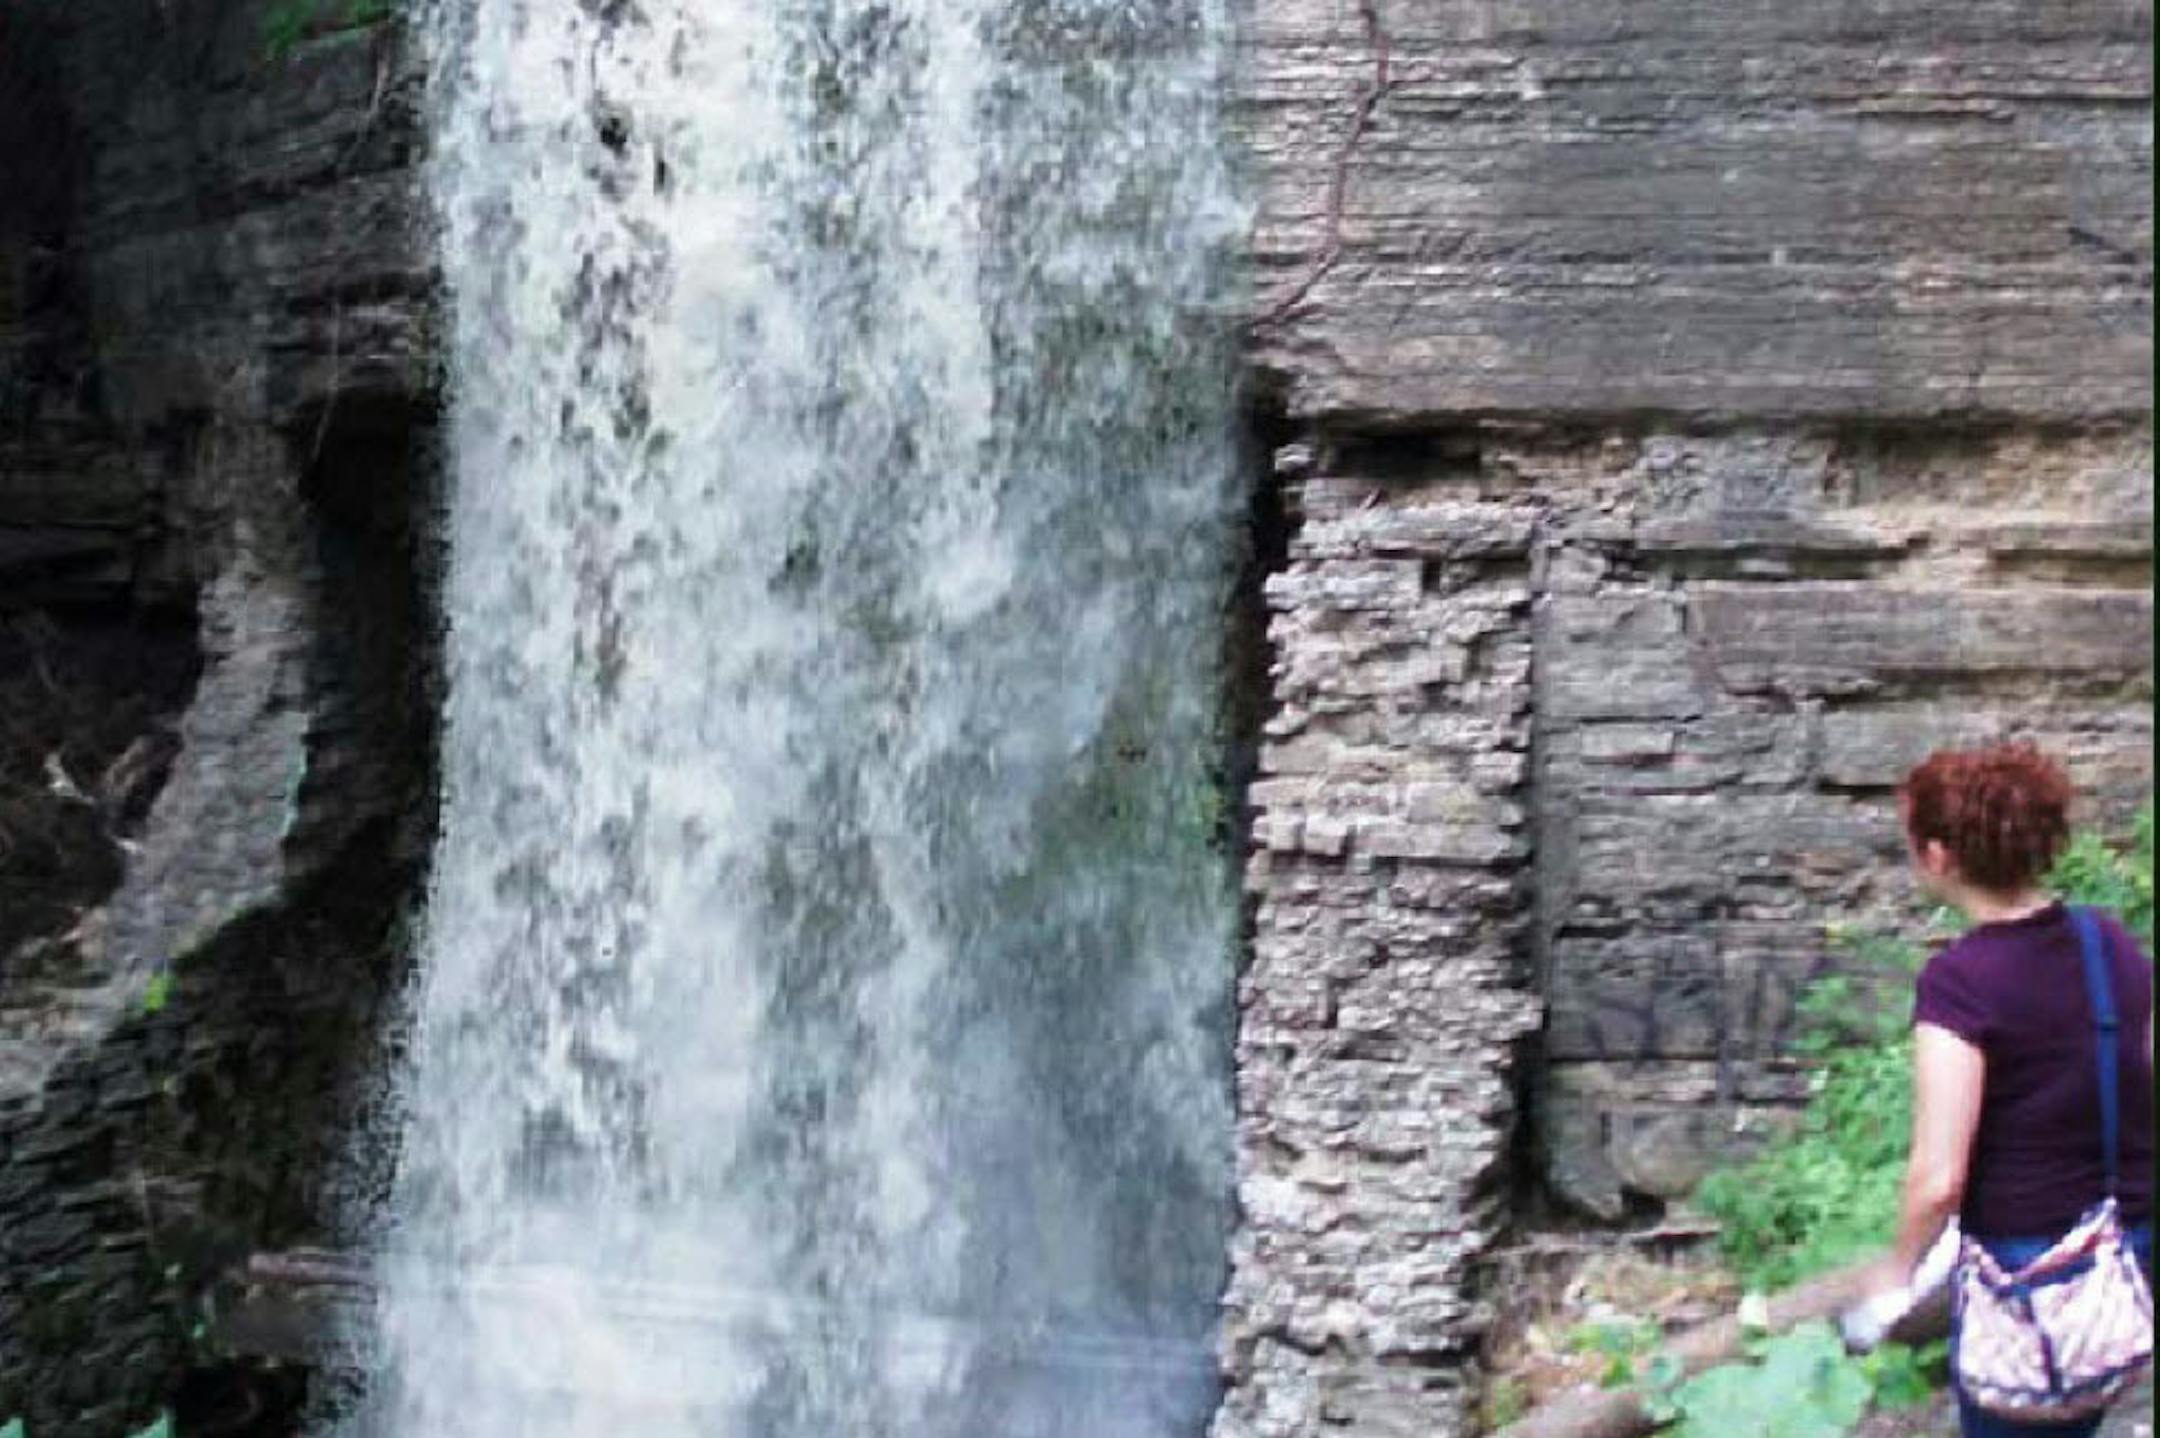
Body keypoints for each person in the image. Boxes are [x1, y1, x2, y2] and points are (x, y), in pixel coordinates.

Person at [1868, 742, 2153, 1437]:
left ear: (1938, 856)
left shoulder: (1959, 983)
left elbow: (1938, 1179)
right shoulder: (2105, 941)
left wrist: (1897, 1275)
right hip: (2130, 1243)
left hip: (2032, 1275)